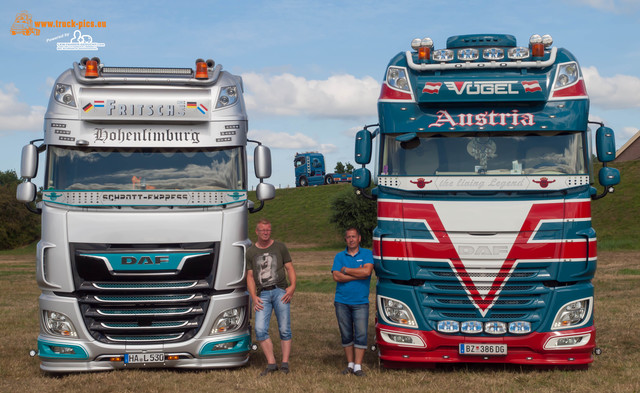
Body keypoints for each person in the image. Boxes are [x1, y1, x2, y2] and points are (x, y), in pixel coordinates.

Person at [246, 218, 296, 376]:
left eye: (268, 230)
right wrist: (254, 296)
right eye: (262, 230)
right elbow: (250, 276)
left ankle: (285, 364)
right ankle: (271, 363)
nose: (266, 233)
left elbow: (289, 268)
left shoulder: (280, 247)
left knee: (284, 329)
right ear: (257, 232)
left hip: (280, 291)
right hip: (262, 295)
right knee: (260, 330)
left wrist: (292, 287)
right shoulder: (251, 252)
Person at [331, 227, 374, 377]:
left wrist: (345, 270)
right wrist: (357, 273)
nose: (351, 239)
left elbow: (367, 272)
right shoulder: (339, 256)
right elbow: (336, 277)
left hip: (360, 302)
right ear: (346, 239)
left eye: (353, 236)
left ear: (359, 238)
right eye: (348, 237)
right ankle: (350, 364)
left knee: (361, 334)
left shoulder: (367, 253)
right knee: (346, 333)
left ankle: (358, 366)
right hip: (341, 301)